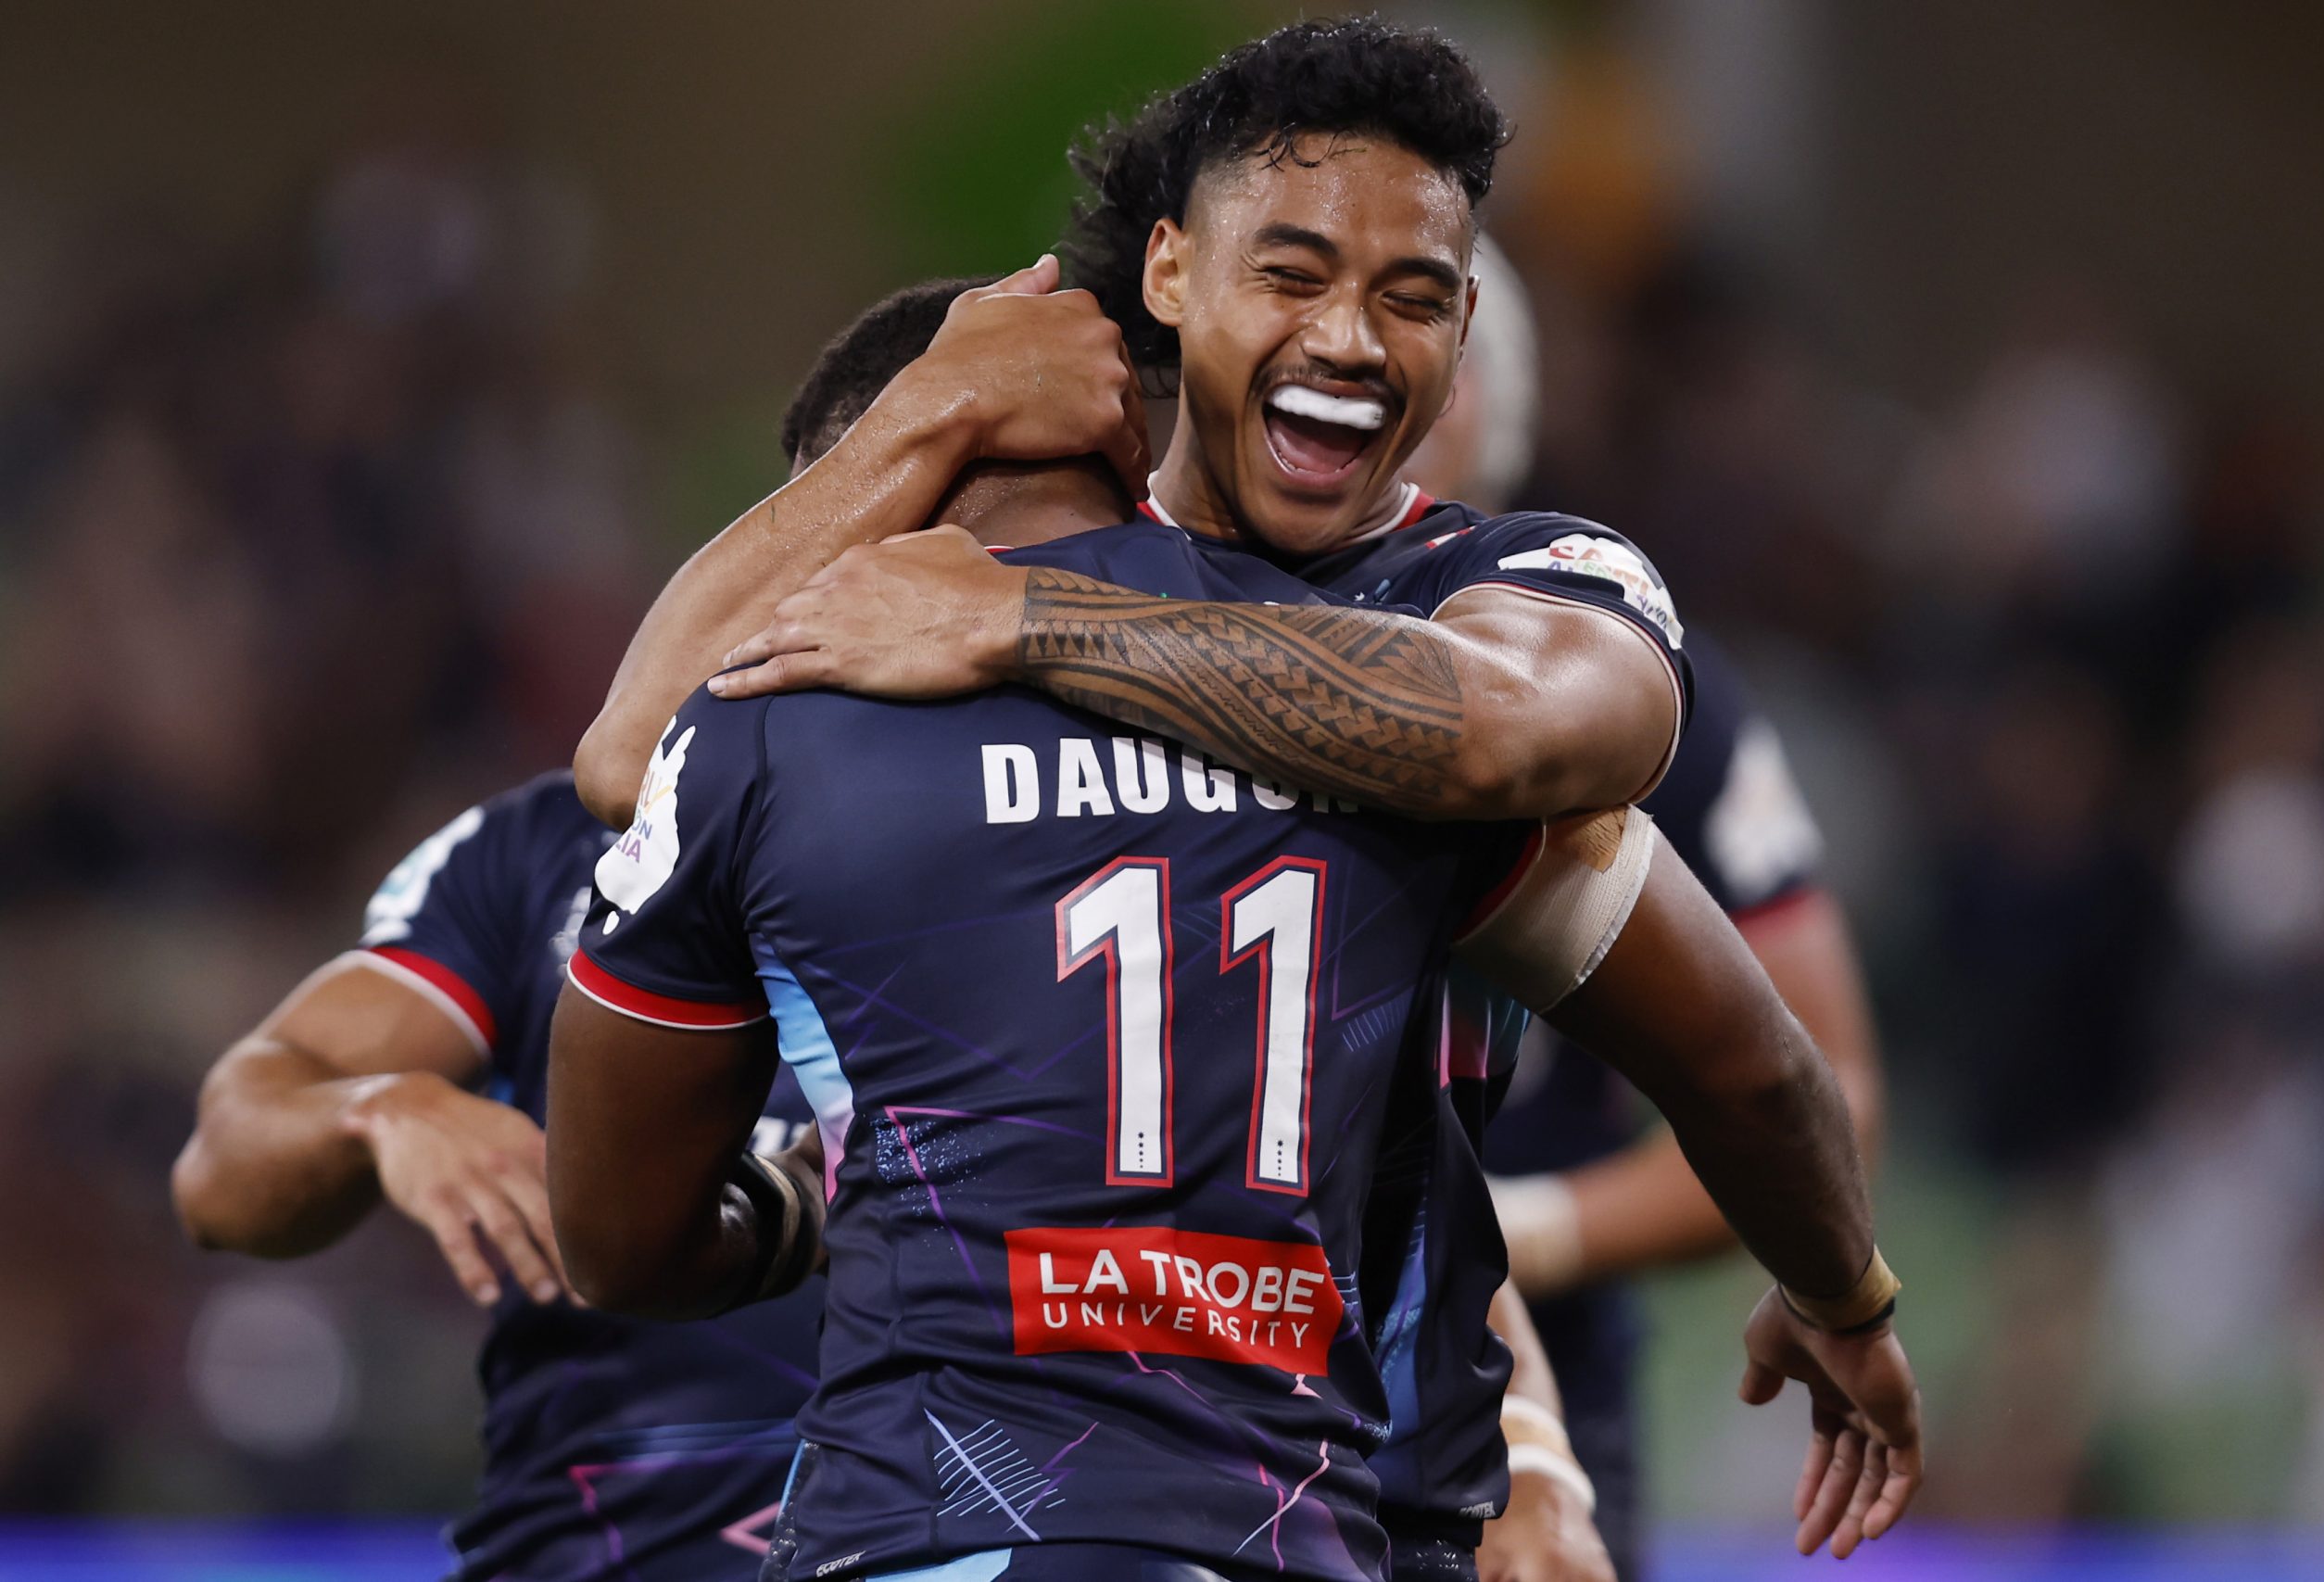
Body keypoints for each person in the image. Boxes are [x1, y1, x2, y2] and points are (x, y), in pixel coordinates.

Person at [680, 19, 1911, 1576]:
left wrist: (1029, 625)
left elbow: (1502, 741)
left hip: (1213, 1504)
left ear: (1465, 342)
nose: (1350, 339)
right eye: (1296, 275)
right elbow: (635, 761)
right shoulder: (986, 563)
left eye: (1413, 301)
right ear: (1173, 274)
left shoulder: (1499, 595)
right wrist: (929, 415)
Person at [1405, 238, 1888, 1580]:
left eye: (1441, 341)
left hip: (1539, 1360)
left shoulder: (1643, 682)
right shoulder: (1206, 638)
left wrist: (1524, 1224)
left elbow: (1818, 1086)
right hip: (1217, 1350)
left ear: (1508, 398)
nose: (1389, 380)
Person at [170, 772, 827, 1580]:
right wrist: (382, 1105)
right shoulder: (541, 851)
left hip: (963, 1518)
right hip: (592, 1546)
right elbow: (219, 1181)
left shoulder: (1003, 821)